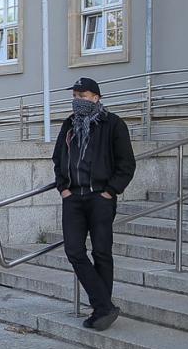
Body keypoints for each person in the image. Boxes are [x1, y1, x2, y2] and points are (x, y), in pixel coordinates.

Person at [52, 78, 136, 331]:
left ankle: (101, 311)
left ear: (97, 97)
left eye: (84, 95)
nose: (79, 100)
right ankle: (104, 306)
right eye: (76, 95)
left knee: (101, 252)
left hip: (100, 197)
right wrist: (63, 188)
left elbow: (126, 164)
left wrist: (110, 191)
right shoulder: (69, 124)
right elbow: (58, 158)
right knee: (74, 251)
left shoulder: (113, 124)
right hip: (73, 199)